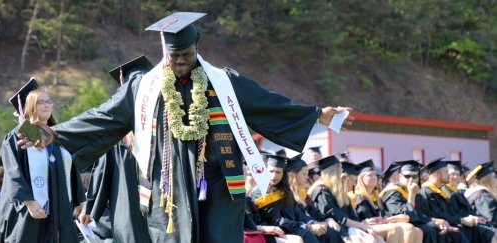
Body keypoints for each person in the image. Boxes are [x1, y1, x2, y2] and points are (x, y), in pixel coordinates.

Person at [18, 12, 354, 243]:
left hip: (219, 183)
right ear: (164, 52)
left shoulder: (224, 82)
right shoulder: (143, 88)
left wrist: (320, 115)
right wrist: (52, 134)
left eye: (186, 54)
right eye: (174, 56)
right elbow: (104, 117)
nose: (180, 61)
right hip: (169, 187)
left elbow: (271, 105)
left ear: (198, 47)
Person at [77, 55, 154, 242]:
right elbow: (103, 172)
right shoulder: (119, 132)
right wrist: (90, 208)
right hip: (129, 209)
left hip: (148, 210)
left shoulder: (160, 126)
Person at [0, 78, 85, 243]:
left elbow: (71, 168)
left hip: (60, 208)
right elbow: (12, 173)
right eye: (40, 102)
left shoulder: (58, 137)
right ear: (30, 107)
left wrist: (78, 200)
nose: (46, 105)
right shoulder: (18, 136)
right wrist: (29, 201)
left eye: (48, 101)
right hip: (31, 211)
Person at [251, 155, 342, 243]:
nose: (274, 176)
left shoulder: (284, 191)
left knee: (329, 233)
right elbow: (276, 220)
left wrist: (314, 222)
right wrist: (307, 227)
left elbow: (297, 214)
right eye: (271, 171)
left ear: (283, 174)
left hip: (290, 227)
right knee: (306, 235)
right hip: (272, 230)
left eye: (278, 172)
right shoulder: (260, 193)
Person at [307, 155, 383, 243]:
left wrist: (361, 224)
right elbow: (337, 217)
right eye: (339, 171)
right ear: (333, 173)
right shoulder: (321, 191)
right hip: (335, 231)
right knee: (371, 240)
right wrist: (361, 225)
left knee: (378, 239)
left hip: (347, 227)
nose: (341, 174)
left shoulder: (336, 190)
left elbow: (349, 214)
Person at [352, 159, 423, 243]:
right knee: (399, 228)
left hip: (380, 225)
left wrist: (386, 219)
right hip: (363, 227)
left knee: (418, 231)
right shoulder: (358, 197)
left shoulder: (376, 197)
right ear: (361, 179)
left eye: (375, 175)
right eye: (369, 175)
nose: (374, 177)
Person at [379, 160, 449, 243]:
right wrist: (411, 194)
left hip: (414, 223)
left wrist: (436, 221)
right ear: (400, 176)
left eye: (414, 176)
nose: (411, 179)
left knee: (442, 229)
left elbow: (420, 215)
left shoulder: (416, 191)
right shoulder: (393, 192)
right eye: (407, 176)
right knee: (430, 231)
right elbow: (405, 217)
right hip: (399, 225)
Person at [419, 158, 476, 242]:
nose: (448, 175)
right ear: (436, 174)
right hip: (438, 227)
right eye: (446, 172)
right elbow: (438, 214)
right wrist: (461, 220)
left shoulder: (439, 190)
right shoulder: (426, 192)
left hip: (449, 223)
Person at [442, 160, 495, 242]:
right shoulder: (445, 191)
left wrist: (475, 217)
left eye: (457, 174)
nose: (455, 177)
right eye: (452, 174)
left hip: (470, 223)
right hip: (460, 224)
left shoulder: (457, 191)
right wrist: (470, 218)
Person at [464, 161, 497, 241]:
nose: (496, 179)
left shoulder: (475, 192)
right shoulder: (482, 194)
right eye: (494, 177)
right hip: (485, 232)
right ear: (488, 180)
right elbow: (490, 218)